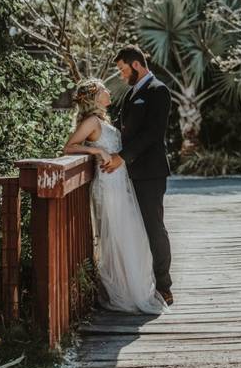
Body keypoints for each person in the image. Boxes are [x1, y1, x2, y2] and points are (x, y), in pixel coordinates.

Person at [63, 78, 166, 314]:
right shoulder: (90, 121)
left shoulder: (101, 120)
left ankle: (131, 290)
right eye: (103, 89)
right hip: (108, 185)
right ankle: (122, 294)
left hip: (120, 183)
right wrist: (96, 149)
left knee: (128, 235)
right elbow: (69, 147)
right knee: (118, 236)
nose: (108, 92)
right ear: (95, 97)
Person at [104, 45, 174, 306]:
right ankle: (141, 283)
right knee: (135, 228)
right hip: (127, 173)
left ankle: (164, 286)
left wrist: (122, 157)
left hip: (150, 172)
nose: (121, 76)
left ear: (136, 65)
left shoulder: (158, 90)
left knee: (154, 227)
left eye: (123, 69)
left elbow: (153, 133)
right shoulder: (132, 93)